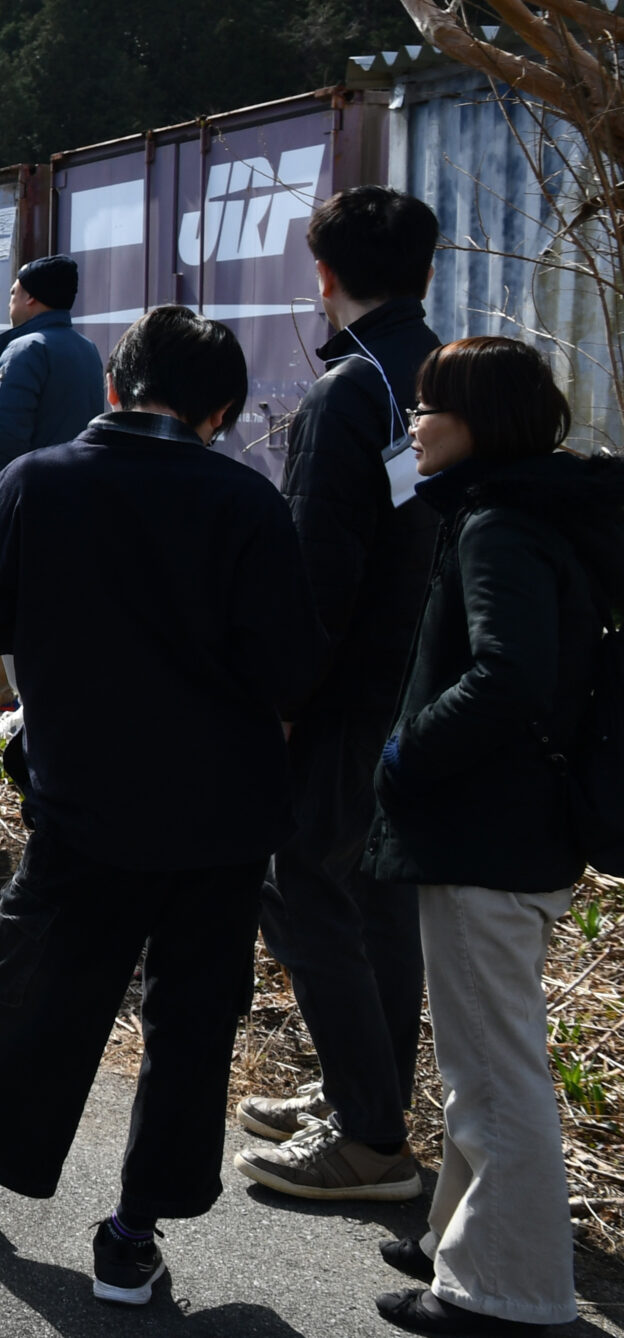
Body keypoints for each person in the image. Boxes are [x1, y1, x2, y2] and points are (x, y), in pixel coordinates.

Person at [0, 306, 320, 1308]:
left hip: (86, 794)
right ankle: (134, 1233)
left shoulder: (38, 480)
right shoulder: (247, 502)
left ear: (113, 386)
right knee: (191, 1019)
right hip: (224, 811)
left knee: (35, 988)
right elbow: (285, 667)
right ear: (221, 410)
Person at [361, 337, 614, 1335]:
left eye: (429, 406)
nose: (414, 423)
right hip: (516, 833)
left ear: (477, 421)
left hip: (484, 834)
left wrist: (403, 753)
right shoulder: (539, 513)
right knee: (484, 1054)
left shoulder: (496, 525)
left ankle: (508, 1293)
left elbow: (507, 675)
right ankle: (455, 1238)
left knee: (493, 1069)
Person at [237, 186, 442, 1206]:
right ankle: (365, 1089)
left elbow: (320, 565)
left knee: (301, 886)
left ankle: (365, 1134)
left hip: (348, 689)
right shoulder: (436, 367)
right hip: (418, 680)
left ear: (322, 275)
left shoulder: (347, 389)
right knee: (376, 897)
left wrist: (280, 695)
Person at [0, 255, 104, 515]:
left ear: (30, 298)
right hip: (72, 503)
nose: (10, 301)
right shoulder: (88, 349)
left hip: (25, 508)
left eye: (13, 292)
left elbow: (3, 440)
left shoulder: (25, 349)